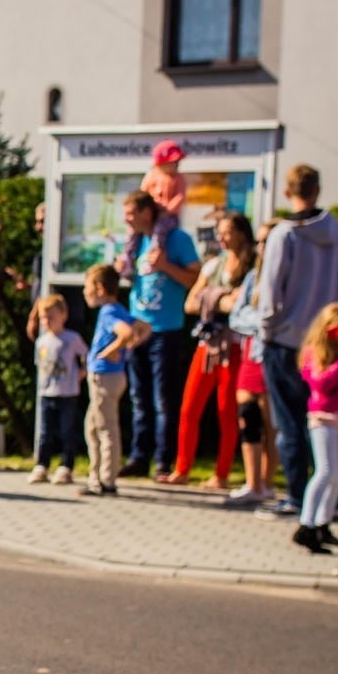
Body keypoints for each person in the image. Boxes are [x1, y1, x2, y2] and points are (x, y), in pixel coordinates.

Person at [258, 164, 338, 517]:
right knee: (325, 419)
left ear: (288, 193)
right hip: (326, 342)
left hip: (286, 341)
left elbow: (270, 292)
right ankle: (329, 495)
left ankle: (299, 496)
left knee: (290, 423)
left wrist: (265, 332)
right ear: (317, 189)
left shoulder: (284, 235)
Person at [158, 211, 254, 487]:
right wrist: (220, 297)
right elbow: (191, 303)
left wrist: (211, 298)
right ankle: (182, 468)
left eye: (227, 232)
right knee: (190, 406)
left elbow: (241, 306)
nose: (221, 238)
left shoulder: (251, 268)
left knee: (227, 409)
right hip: (208, 342)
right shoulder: (213, 266)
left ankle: (221, 474)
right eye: (219, 232)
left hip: (235, 344)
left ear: (241, 233)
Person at [118, 190, 201, 479]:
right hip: (137, 328)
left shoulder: (176, 239)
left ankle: (163, 461)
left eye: (130, 213)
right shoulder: (135, 242)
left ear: (146, 212)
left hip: (166, 328)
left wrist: (165, 265)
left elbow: (195, 278)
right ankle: (139, 457)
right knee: (138, 397)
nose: (126, 219)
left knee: (162, 399)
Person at [78, 265, 150, 497]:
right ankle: (96, 476)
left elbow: (128, 332)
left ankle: (106, 481)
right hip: (110, 376)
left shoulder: (109, 312)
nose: (84, 292)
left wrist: (111, 350)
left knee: (105, 429)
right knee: (93, 426)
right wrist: (127, 346)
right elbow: (144, 327)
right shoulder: (118, 309)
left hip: (105, 377)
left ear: (100, 289)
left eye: (87, 287)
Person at [223, 217, 279, 507]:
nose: (261, 246)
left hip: (273, 355)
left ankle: (268, 484)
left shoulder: (289, 274)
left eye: (267, 240)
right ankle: (252, 482)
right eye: (259, 240)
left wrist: (262, 323)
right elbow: (236, 315)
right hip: (250, 355)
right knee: (247, 417)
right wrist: (261, 322)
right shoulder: (252, 277)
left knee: (271, 423)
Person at [292, 302, 338, 552]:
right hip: (323, 419)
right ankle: (306, 525)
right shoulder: (314, 353)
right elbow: (321, 384)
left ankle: (322, 523)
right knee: (325, 471)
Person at [27, 293, 87, 485]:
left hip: (67, 393)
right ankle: (42, 464)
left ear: (63, 315)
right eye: (43, 318)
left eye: (51, 317)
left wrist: (81, 373)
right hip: (46, 393)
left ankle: (66, 466)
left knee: (67, 431)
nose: (46, 321)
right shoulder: (41, 341)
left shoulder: (72, 338)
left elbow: (87, 356)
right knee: (45, 432)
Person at [115, 141, 185, 279]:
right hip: (154, 214)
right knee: (131, 233)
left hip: (167, 217)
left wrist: (168, 210)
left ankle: (154, 256)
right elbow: (142, 196)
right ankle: (127, 257)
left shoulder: (178, 179)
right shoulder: (151, 177)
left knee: (160, 230)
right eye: (174, 162)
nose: (177, 165)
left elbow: (180, 197)